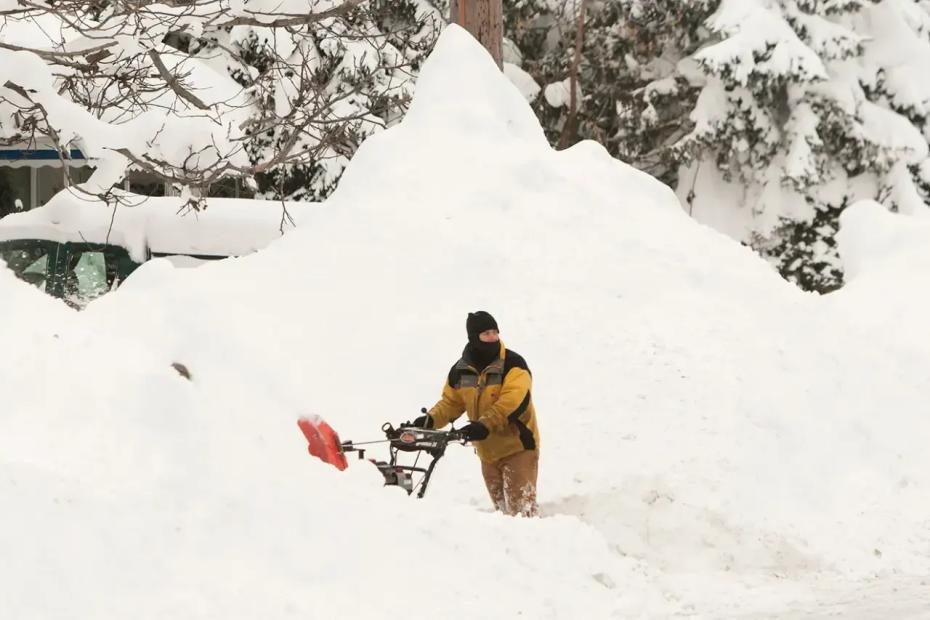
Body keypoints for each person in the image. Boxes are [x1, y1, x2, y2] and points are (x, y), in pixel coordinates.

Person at [411, 311, 540, 517]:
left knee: (521, 515)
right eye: (486, 334)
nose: (492, 338)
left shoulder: (513, 365)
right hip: (487, 454)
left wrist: (484, 424)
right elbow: (451, 403)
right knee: (502, 515)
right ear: (473, 338)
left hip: (517, 448)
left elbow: (513, 401)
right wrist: (431, 420)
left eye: (494, 332)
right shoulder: (461, 370)